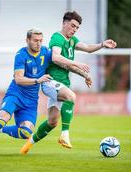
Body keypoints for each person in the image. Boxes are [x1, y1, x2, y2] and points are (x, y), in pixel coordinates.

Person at [0, 28, 91, 157]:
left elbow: (64, 64)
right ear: (27, 40)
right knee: (2, 119)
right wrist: (37, 80)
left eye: (41, 41)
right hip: (15, 94)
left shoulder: (45, 52)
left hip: (30, 101)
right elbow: (18, 79)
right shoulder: (21, 55)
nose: (39, 43)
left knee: (25, 133)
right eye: (35, 40)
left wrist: (84, 75)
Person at [20, 11, 117, 154]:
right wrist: (77, 64)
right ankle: (65, 135)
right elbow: (56, 58)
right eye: (72, 26)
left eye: (77, 27)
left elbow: (87, 49)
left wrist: (102, 44)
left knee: (52, 122)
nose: (74, 29)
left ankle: (28, 144)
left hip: (62, 84)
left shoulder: (72, 41)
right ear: (64, 23)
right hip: (50, 82)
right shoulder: (57, 38)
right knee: (71, 96)